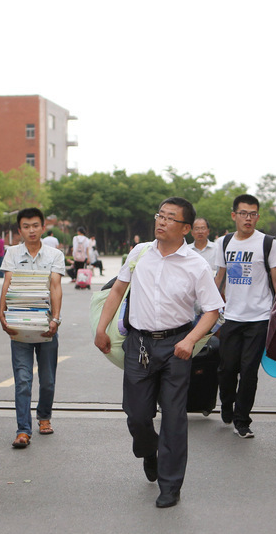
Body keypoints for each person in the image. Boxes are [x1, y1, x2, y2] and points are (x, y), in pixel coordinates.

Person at [94, 197, 223, 508]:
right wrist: (101, 328)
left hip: (176, 346)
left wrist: (190, 340)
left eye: (170, 218)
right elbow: (117, 289)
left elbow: (212, 311)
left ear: (186, 228)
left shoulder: (196, 265)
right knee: (137, 415)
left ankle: (170, 485)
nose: (161, 222)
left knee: (174, 418)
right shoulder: (140, 253)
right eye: (160, 215)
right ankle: (148, 451)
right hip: (139, 344)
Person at [213, 194, 276, 439]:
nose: (248, 219)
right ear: (234, 215)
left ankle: (242, 420)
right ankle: (227, 403)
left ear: (258, 216)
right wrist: (209, 307)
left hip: (259, 318)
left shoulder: (268, 243)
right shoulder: (224, 243)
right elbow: (219, 277)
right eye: (243, 213)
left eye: (253, 214)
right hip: (231, 317)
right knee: (227, 369)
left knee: (249, 371)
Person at [0, 207, 65, 448]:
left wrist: (55, 319)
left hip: (46, 324)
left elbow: (55, 286)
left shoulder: (54, 255)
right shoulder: (12, 253)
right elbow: (7, 282)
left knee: (47, 380)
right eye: (26, 227)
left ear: (43, 227)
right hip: (19, 325)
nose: (31, 230)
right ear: (20, 230)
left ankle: (44, 416)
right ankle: (23, 430)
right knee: (23, 380)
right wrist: (1, 312)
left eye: (35, 225)